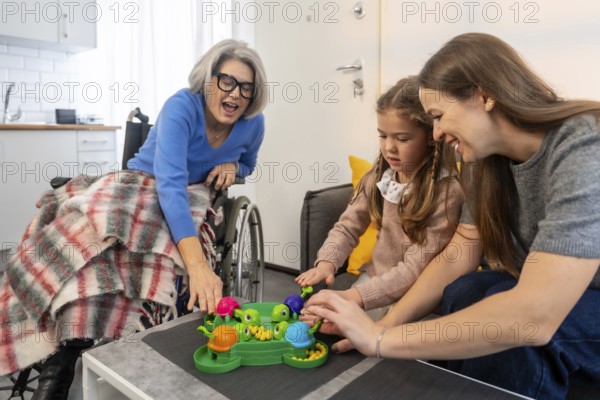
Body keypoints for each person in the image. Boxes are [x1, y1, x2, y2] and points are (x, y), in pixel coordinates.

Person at [304, 32, 600, 400]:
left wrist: (381, 338)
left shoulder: (584, 143)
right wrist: (374, 324)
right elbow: (458, 255)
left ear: (484, 94)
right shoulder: (482, 162)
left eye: (439, 116)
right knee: (463, 291)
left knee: (513, 338)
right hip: (565, 293)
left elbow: (533, 316)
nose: (437, 133)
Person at [0, 39, 267, 400]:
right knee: (89, 235)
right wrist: (198, 265)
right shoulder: (181, 107)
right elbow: (168, 185)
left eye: (246, 88)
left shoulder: (253, 124)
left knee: (144, 245)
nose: (235, 93)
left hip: (193, 195)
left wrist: (234, 166)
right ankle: (60, 363)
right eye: (226, 81)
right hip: (141, 183)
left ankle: (76, 359)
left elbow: (248, 164)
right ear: (208, 80)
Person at [296, 76, 463, 324]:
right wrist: (326, 262)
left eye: (402, 138)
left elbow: (414, 269)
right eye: (383, 136)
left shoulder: (447, 193)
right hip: (375, 280)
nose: (389, 148)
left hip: (419, 295)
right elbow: (347, 227)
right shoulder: (378, 178)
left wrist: (355, 297)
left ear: (431, 136)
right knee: (319, 319)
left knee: (372, 339)